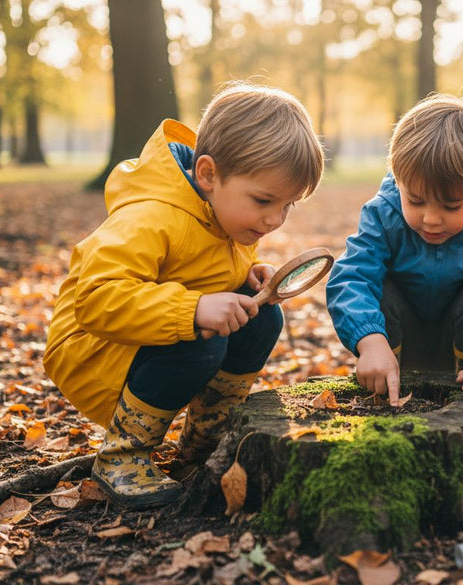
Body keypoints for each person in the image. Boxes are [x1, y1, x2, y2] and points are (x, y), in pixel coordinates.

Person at [43, 82, 325, 508]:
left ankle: (204, 443)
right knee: (198, 340)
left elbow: (203, 266)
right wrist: (194, 308)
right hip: (95, 349)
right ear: (209, 174)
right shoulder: (149, 217)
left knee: (263, 319)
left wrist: (247, 276)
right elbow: (95, 300)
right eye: (265, 200)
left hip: (149, 334)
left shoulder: (226, 213)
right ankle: (123, 456)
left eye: (288, 206)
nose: (274, 220)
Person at [326, 94, 463, 404]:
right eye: (415, 201)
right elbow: (352, 276)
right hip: (401, 339)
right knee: (382, 289)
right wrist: (369, 339)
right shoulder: (384, 213)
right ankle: (388, 386)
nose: (430, 219)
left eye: (451, 205)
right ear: (398, 177)